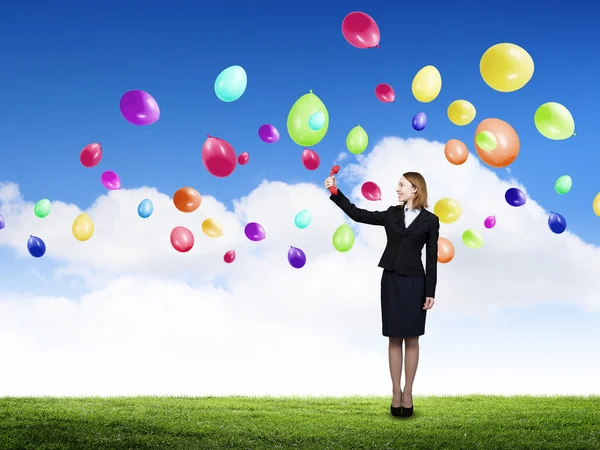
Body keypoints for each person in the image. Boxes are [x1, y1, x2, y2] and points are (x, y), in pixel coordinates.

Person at [324, 172, 439, 418]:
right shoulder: (391, 213)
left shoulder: (431, 221)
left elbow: (431, 258)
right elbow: (358, 214)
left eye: (401, 185)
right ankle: (395, 391)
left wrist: (430, 291)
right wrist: (335, 192)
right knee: (394, 337)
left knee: (413, 338)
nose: (397, 189)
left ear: (415, 189)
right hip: (391, 281)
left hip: (416, 283)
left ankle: (408, 391)